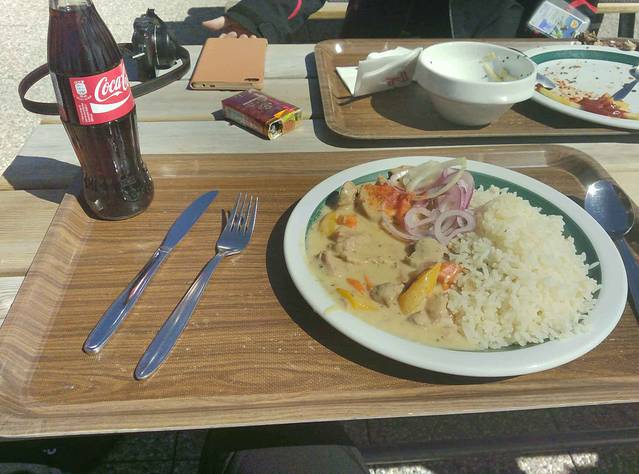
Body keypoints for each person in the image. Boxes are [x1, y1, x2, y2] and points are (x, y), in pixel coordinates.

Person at [203, 0, 600, 43]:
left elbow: (573, 4)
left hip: (490, 44)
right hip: (376, 40)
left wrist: (553, 44)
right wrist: (257, 17)